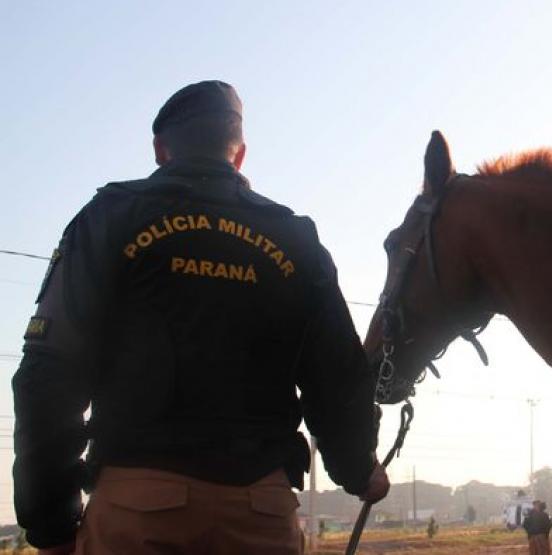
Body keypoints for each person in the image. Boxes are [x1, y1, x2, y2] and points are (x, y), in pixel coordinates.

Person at [12, 80, 390, 555]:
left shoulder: (109, 217)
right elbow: (338, 376)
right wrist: (360, 470)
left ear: (160, 150)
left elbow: (47, 373)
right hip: (261, 515)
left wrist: (50, 524)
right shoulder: (295, 238)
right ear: (240, 155)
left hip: (137, 512)